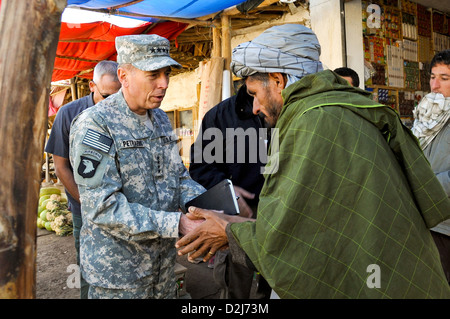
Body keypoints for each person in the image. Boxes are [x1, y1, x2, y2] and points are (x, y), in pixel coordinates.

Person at [176, 24, 450, 298]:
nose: (256, 107)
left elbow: (285, 238)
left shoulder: (311, 122)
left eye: (256, 94)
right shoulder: (333, 107)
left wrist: (228, 231)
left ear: (278, 80)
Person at [69, 34, 205, 299]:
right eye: (153, 74)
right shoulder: (96, 125)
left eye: (166, 73)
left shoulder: (161, 119)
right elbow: (103, 207)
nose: (164, 83)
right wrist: (177, 223)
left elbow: (177, 177)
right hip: (120, 277)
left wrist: (204, 204)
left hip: (162, 269)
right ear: (124, 76)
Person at [45, 60, 121, 298]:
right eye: (106, 95)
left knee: (122, 264)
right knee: (89, 263)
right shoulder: (69, 114)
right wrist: (87, 204)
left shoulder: (126, 111)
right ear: (92, 86)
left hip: (122, 206)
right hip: (84, 208)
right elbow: (61, 166)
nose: (112, 103)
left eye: (117, 96)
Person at [189, 83, 271, 299]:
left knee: (275, 280)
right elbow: (201, 167)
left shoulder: (286, 111)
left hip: (278, 211)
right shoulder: (220, 117)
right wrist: (228, 191)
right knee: (235, 283)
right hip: (237, 213)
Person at [411, 49, 450, 283]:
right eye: (432, 77)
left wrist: (425, 187)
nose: (435, 85)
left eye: (444, 78)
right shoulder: (425, 117)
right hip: (426, 223)